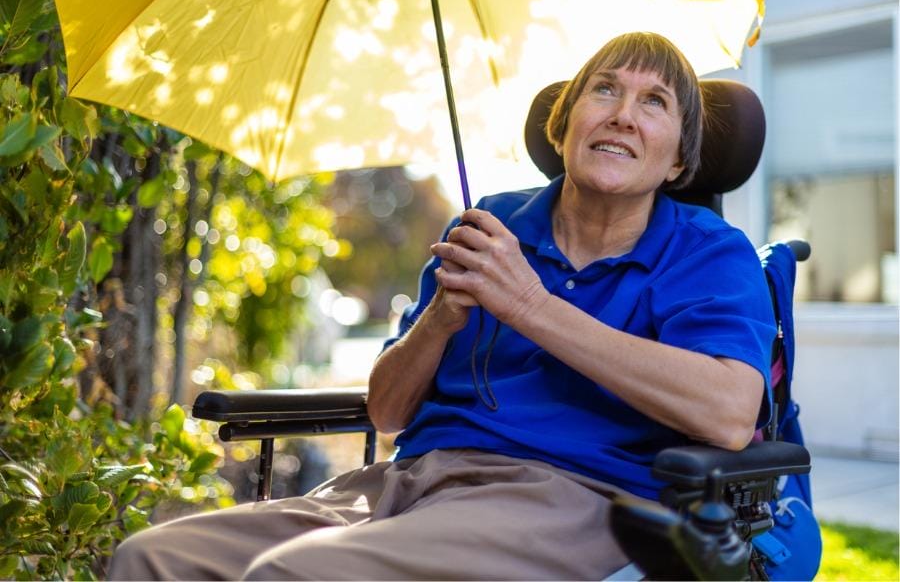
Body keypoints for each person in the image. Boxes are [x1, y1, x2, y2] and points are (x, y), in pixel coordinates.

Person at [109, 32, 776, 580]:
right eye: (604, 89)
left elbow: (726, 413)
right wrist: (442, 318)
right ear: (564, 121)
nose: (622, 113)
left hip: (573, 498)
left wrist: (529, 305)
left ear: (678, 161)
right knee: (154, 559)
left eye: (654, 101)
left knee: (295, 576)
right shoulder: (491, 225)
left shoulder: (709, 254)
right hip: (411, 483)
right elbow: (388, 411)